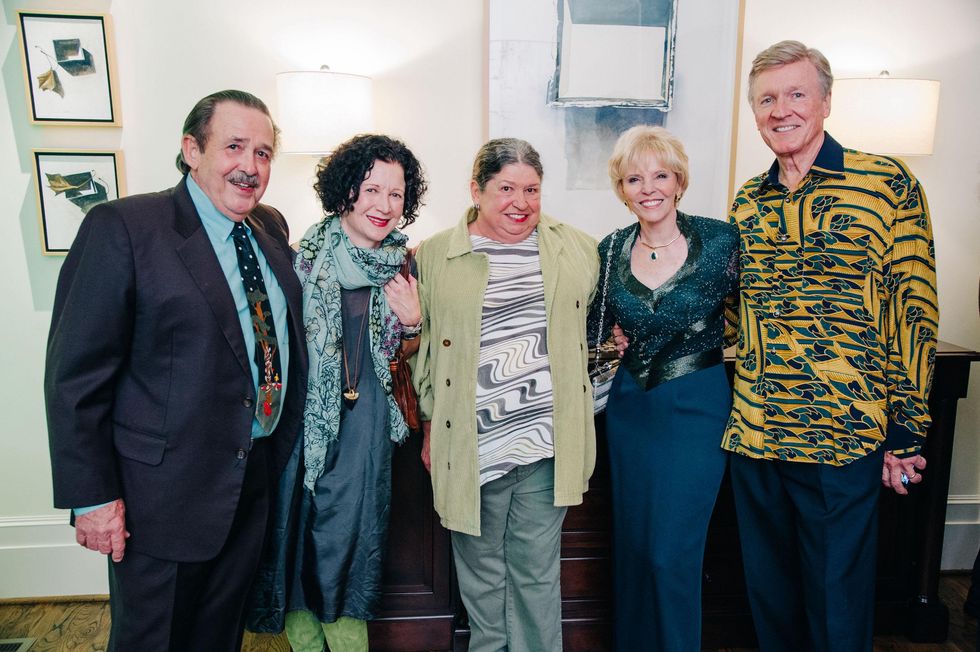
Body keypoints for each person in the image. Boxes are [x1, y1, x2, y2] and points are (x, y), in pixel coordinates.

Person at [43, 90, 308, 651]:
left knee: (219, 638)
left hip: (249, 483)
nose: (250, 166)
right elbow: (75, 376)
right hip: (159, 498)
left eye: (263, 153)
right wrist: (92, 498)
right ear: (192, 150)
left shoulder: (269, 230)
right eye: (234, 147)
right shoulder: (124, 227)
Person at [726, 40, 938, 651]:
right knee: (771, 601)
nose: (781, 110)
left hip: (842, 431)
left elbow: (914, 307)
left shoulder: (887, 183)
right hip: (757, 431)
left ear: (824, 101)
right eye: (766, 99)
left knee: (836, 605)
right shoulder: (747, 200)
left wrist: (907, 429)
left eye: (796, 94)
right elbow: (734, 313)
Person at [413, 138, 598, 652]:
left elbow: (599, 321)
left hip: (545, 444)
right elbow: (424, 351)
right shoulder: (437, 255)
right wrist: (429, 426)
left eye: (532, 190)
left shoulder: (576, 249)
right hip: (472, 445)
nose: (521, 202)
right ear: (477, 190)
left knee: (537, 577)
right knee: (482, 581)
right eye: (507, 189)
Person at [246, 134, 427, 652]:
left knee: (347, 548)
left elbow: (409, 354)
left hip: (365, 427)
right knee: (293, 541)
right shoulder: (297, 261)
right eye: (372, 190)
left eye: (396, 194)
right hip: (298, 426)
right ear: (345, 191)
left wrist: (413, 323)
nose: (384, 205)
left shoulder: (404, 266)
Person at [591, 125, 738, 650]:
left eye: (660, 175)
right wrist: (611, 343)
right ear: (622, 188)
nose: (648, 188)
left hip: (698, 409)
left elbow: (756, 314)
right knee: (634, 549)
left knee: (671, 554)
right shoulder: (610, 248)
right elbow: (594, 334)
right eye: (635, 179)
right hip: (632, 412)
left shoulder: (721, 240)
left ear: (678, 181)